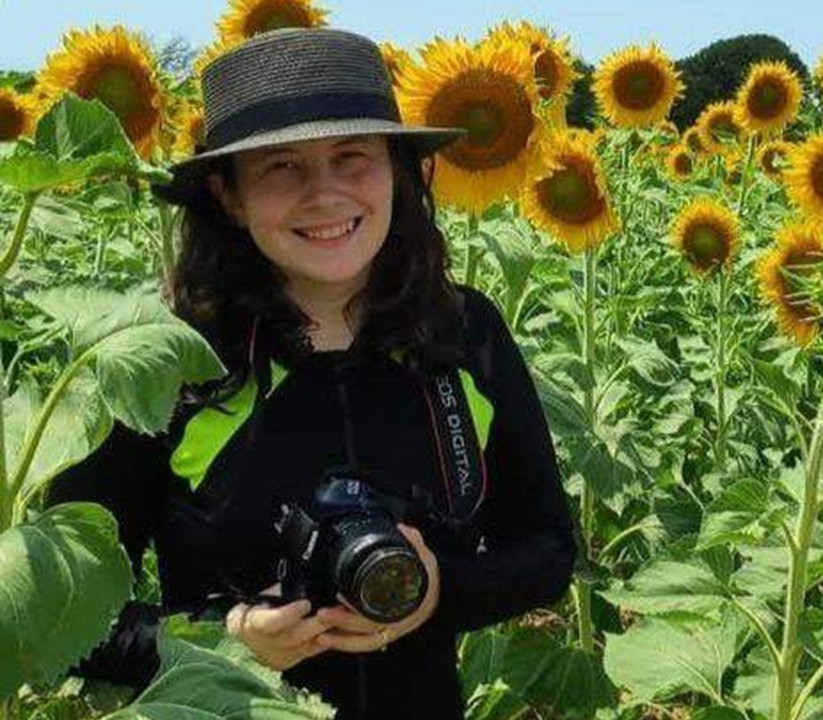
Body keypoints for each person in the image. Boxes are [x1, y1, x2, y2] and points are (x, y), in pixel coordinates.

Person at [47, 27, 576, 719]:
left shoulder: (461, 334)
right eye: (281, 167)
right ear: (228, 195)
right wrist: (221, 640)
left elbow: (545, 548)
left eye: (352, 157)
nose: (325, 195)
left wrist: (444, 591)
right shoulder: (166, 359)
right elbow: (67, 617)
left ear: (399, 171)